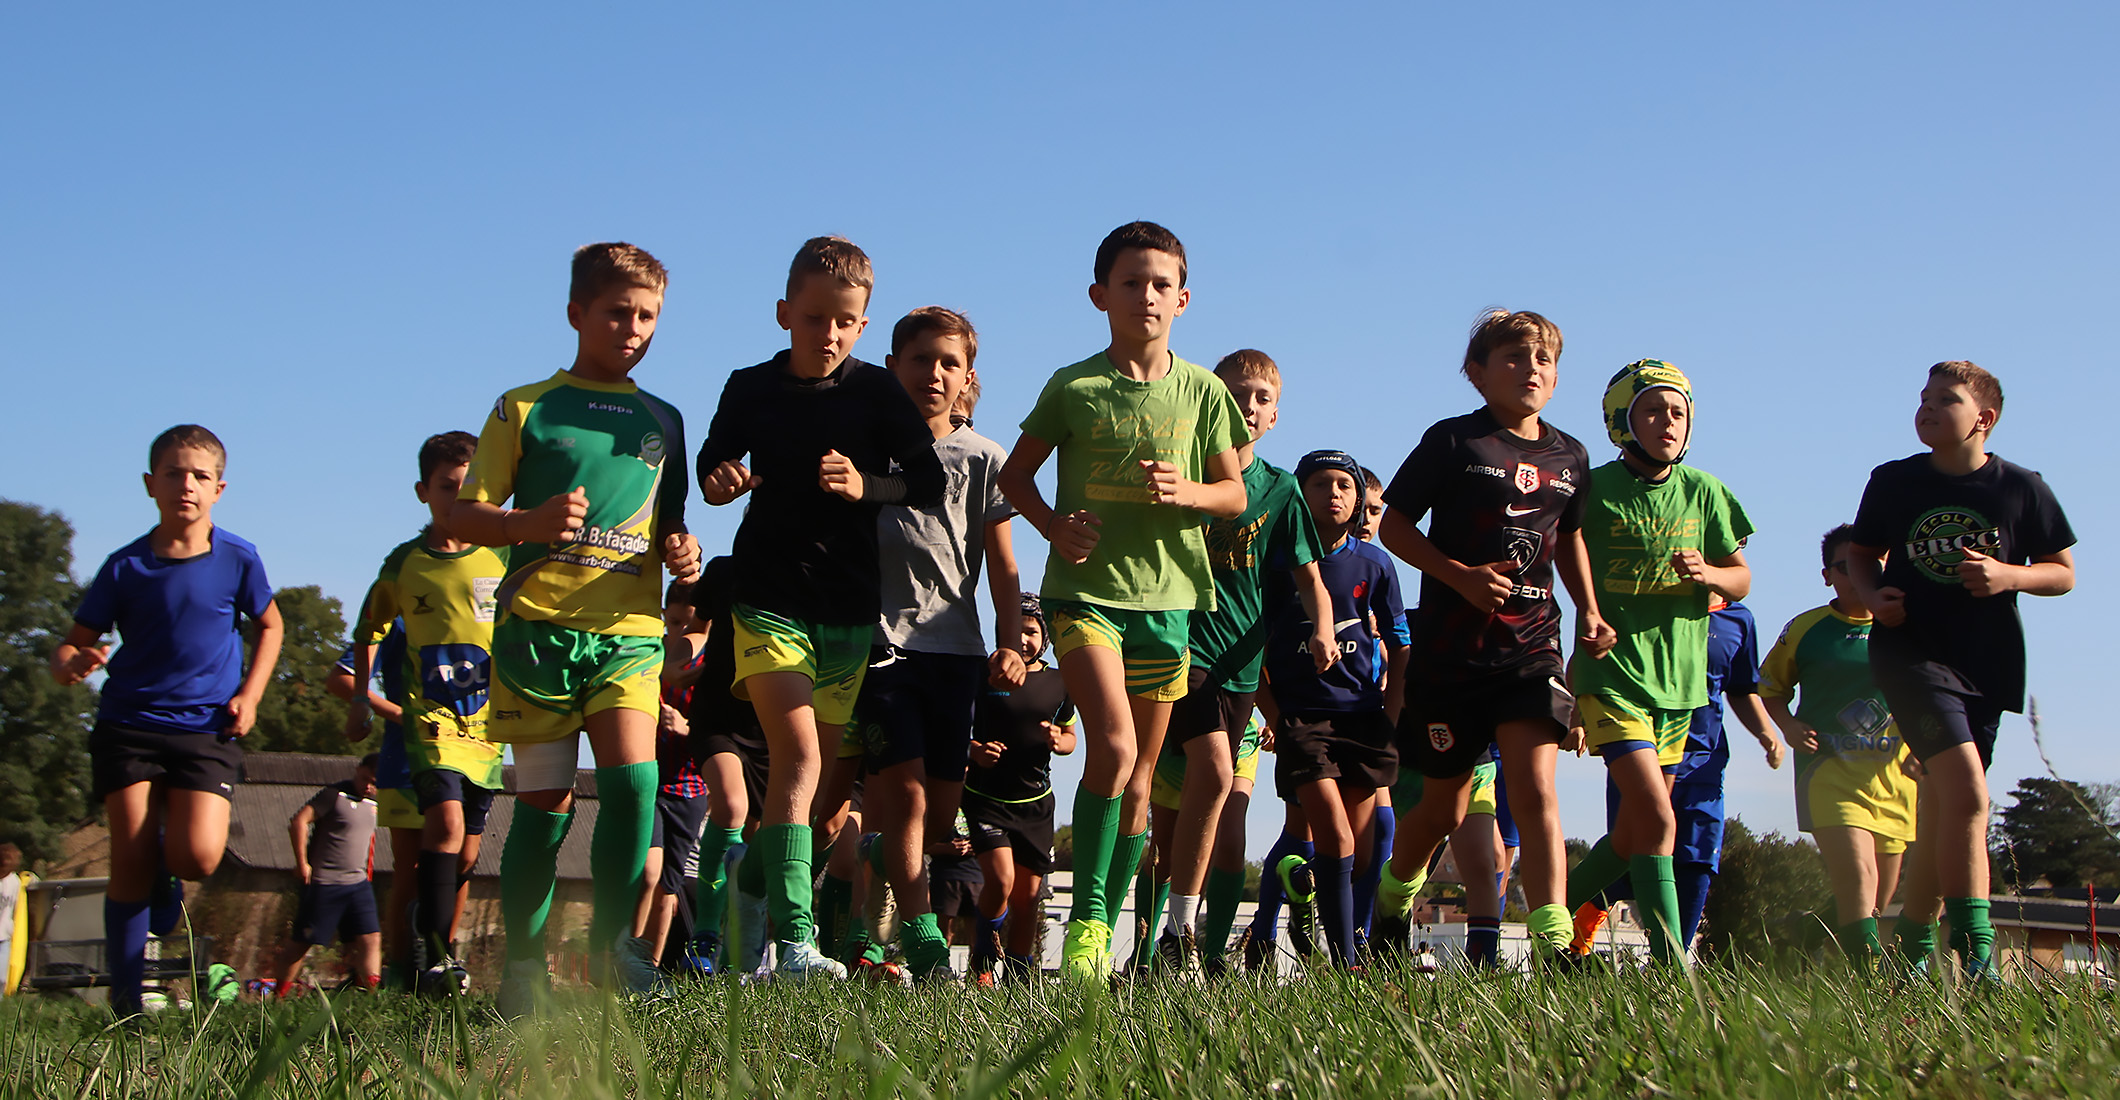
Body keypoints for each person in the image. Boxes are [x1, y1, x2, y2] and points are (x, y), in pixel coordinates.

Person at [452, 242, 703, 1010]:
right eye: (617, 312)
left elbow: (672, 524)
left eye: (648, 315)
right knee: (546, 806)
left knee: (635, 784)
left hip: (626, 632)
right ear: (577, 315)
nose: (633, 328)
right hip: (535, 633)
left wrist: (683, 549)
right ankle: (525, 970)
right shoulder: (523, 406)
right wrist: (527, 521)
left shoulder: (664, 419)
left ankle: (614, 955)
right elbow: (462, 514)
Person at [997, 221, 1249, 982]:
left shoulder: (1203, 390)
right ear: (1100, 295)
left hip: (1169, 602)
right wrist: (1054, 525)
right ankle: (1089, 924)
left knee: (1140, 775)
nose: (1146, 296)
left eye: (1161, 284)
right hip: (1084, 598)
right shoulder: (1073, 386)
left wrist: (1190, 492)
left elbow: (1233, 494)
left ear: (1184, 299)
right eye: (1131, 283)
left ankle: (1110, 910)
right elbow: (1014, 479)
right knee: (1110, 747)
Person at [696, 237, 945, 981]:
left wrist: (867, 486)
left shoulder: (876, 395)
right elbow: (711, 470)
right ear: (784, 314)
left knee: (811, 794)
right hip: (769, 597)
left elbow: (926, 483)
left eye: (844, 322)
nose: (828, 335)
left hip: (848, 609)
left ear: (863, 326)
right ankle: (797, 943)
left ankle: (747, 891)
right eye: (813, 320)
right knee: (798, 759)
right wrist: (725, 481)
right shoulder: (750, 388)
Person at [1369, 311, 1610, 965]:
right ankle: (1393, 899)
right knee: (1443, 809)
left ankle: (1554, 938)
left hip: (1532, 649)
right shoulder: (1453, 444)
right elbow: (1392, 524)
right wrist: (1460, 576)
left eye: (1543, 358)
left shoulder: (1572, 457)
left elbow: (1572, 539)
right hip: (1452, 655)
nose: (1530, 367)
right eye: (1513, 356)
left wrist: (1588, 609)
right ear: (1476, 373)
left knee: (1535, 786)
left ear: (1557, 378)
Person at [1847, 361, 2075, 978]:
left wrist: (2011, 575)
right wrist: (1871, 597)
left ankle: (1915, 945)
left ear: (1984, 419)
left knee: (1946, 807)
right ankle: (1978, 956)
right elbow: (1862, 556)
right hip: (1910, 655)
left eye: (1944, 399)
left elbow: (2063, 572)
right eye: (1922, 397)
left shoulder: (2021, 488)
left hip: (1987, 663)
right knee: (1970, 794)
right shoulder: (1893, 482)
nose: (1926, 407)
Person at [51, 424, 284, 1017]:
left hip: (206, 728)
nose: (187, 485)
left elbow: (271, 626)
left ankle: (163, 863)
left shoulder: (237, 559)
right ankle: (128, 1003)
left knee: (196, 857)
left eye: (200, 476)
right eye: (175, 473)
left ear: (220, 489)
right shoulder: (124, 566)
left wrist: (250, 697)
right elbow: (70, 647)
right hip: (129, 723)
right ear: (151, 484)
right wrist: (74, 662)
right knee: (127, 858)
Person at [1142, 348, 1333, 979]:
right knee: (1214, 777)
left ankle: (1169, 945)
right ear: (1210, 401)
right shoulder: (1180, 471)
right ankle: (1174, 935)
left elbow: (1309, 576)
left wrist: (1323, 629)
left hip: (1240, 671)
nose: (1247, 406)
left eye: (1261, 398)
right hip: (1177, 648)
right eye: (1236, 393)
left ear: (1275, 415)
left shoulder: (1279, 491)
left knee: (1181, 822)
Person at [853, 305, 1024, 983]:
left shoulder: (984, 458)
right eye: (920, 359)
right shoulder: (865, 449)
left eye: (949, 362)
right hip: (883, 641)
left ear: (968, 376)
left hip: (956, 649)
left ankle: (875, 858)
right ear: (893, 367)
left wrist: (1011, 643)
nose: (934, 373)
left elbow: (1005, 565)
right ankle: (921, 944)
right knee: (910, 798)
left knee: (940, 813)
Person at [1564, 359, 1753, 966]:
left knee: (1635, 834)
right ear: (1624, 422)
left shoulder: (1706, 491)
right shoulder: (1592, 487)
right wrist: (1588, 611)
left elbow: (1742, 578)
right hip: (1612, 676)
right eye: (1652, 410)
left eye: (1677, 412)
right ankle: (1674, 968)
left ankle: (1553, 906)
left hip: (1681, 684)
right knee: (1657, 819)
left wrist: (1711, 574)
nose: (1667, 422)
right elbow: (1560, 551)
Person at [343, 430, 505, 997]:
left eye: (469, 489)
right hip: (429, 727)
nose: (457, 499)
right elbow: (368, 629)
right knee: (443, 827)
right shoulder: (404, 563)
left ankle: (428, 941)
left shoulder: (502, 556)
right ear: (423, 492)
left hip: (489, 731)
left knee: (467, 849)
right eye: (446, 487)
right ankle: (429, 959)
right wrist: (364, 697)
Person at [1257, 450, 1408, 968]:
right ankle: (1345, 966)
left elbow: (1400, 641)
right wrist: (1275, 717)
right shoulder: (1276, 562)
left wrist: (1391, 710)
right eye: (1321, 484)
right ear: (1300, 494)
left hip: (1363, 719)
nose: (1336, 494)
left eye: (1344, 484)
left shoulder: (1375, 563)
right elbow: (1252, 648)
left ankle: (1301, 882)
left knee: (1363, 855)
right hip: (1302, 719)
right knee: (1335, 836)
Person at [1573, 596, 1779, 958]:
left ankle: (1670, 967)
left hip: (1705, 760)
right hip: (1641, 749)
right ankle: (1567, 924)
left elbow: (1742, 688)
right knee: (1633, 850)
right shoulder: (1652, 599)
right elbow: (1589, 654)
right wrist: (1578, 713)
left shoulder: (1738, 620)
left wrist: (1767, 733)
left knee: (1697, 860)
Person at [1759, 525, 1916, 966]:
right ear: (1828, 575)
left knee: (1877, 898)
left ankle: (1806, 930)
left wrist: (1924, 746)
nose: (1861, 575)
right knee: (1859, 878)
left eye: (1874, 565)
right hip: (1827, 774)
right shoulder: (1809, 628)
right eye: (1847, 567)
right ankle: (1869, 984)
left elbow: (1929, 693)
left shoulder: (1907, 626)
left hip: (1894, 779)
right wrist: (1787, 726)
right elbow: (1770, 686)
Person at [963, 596, 1077, 984]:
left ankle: (1018, 974)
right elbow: (957, 729)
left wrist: (1059, 740)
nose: (1023, 640)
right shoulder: (982, 674)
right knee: (1000, 881)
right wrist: (974, 751)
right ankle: (982, 953)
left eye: (1031, 632)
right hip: (985, 799)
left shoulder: (1061, 681)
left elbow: (1070, 736)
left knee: (1028, 899)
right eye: (1015, 632)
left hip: (1035, 804)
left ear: (1043, 637)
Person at [682, 557, 772, 975]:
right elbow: (699, 628)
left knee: (752, 845)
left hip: (771, 723)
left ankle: (738, 947)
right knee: (731, 806)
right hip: (717, 713)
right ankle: (703, 935)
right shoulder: (724, 570)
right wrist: (677, 663)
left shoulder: (809, 572)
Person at [327, 623, 425, 987]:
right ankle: (400, 973)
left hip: (475, 753)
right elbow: (341, 679)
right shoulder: (396, 617)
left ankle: (442, 961)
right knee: (410, 870)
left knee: (461, 862)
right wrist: (401, 715)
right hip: (405, 759)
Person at [271, 755, 383, 995]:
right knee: (302, 942)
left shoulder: (375, 802)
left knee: (371, 939)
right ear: (358, 770)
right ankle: (278, 996)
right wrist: (302, 863)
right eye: (365, 779)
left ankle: (372, 996)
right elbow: (299, 821)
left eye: (374, 782)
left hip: (358, 884)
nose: (368, 786)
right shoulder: (334, 795)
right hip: (325, 883)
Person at [642, 588, 710, 968]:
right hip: (649, 782)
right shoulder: (649, 661)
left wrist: (688, 728)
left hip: (690, 789)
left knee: (670, 884)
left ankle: (652, 967)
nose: (679, 633)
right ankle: (626, 958)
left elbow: (723, 737)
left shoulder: (711, 673)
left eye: (689, 624)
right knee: (646, 873)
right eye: (672, 623)